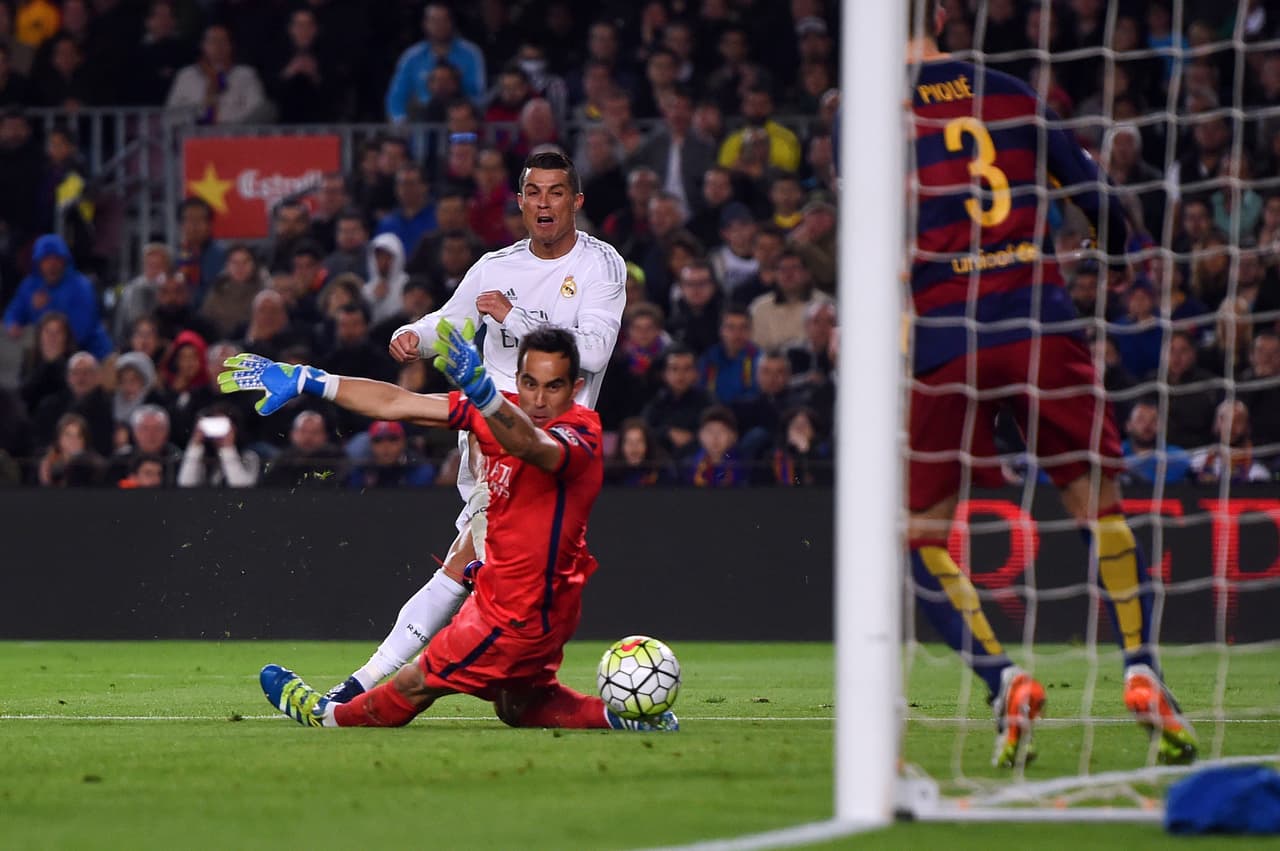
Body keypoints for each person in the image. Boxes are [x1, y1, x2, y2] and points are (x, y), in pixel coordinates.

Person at [907, 1, 1196, 768]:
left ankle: (1005, 680)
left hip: (943, 336)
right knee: (1097, 507)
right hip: (1040, 322)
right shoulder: (1011, 93)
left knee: (922, 537)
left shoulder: (875, 112)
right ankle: (1141, 669)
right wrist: (1109, 250)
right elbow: (1102, 205)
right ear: (942, 12)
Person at [221, 325, 675, 732]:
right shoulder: (498, 408)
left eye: (554, 387)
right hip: (534, 609)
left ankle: (330, 716)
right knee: (518, 705)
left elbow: (533, 446)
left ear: (575, 388)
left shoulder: (580, 434)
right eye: (530, 384)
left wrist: (484, 393)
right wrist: (310, 379)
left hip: (513, 616)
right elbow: (398, 402)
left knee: (415, 682)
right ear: (517, 381)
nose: (540, 399)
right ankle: (616, 717)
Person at [321, 150, 626, 704]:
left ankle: (376, 684)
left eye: (556, 192)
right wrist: (416, 332)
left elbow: (596, 352)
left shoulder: (600, 265)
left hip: (554, 440)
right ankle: (374, 687)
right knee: (474, 562)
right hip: (491, 436)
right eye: (534, 192)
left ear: (576, 202)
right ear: (520, 201)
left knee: (480, 568)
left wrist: (516, 318)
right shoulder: (495, 267)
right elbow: (453, 323)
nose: (544, 203)